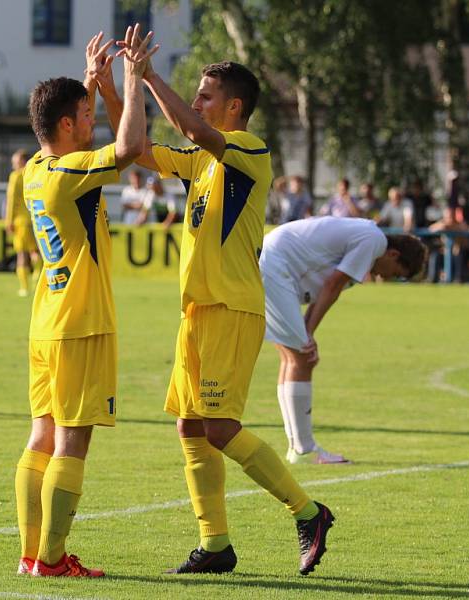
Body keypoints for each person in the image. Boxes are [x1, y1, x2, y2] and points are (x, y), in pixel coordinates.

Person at [94, 55, 334, 576]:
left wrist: (150, 75)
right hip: (198, 310)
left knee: (221, 427)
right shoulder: (201, 159)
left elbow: (190, 126)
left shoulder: (249, 149)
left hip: (232, 306)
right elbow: (134, 149)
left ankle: (309, 513)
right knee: (190, 426)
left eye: (205, 95)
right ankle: (215, 544)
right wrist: (119, 90)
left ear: (234, 106)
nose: (198, 102)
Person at [12, 26, 154, 579]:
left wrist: (93, 84)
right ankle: (51, 558)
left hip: (46, 321)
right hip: (81, 322)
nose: (92, 123)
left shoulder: (35, 173)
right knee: (72, 440)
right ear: (65, 124)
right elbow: (129, 149)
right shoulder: (69, 172)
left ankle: (31, 554)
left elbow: (94, 145)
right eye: (85, 116)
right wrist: (134, 78)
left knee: (41, 435)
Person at [260, 217, 427, 463]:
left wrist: (307, 331)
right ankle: (303, 450)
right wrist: (309, 333)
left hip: (271, 261)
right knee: (302, 357)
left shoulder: (368, 238)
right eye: (396, 273)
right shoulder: (374, 242)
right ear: (393, 254)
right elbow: (332, 286)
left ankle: (298, 447)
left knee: (294, 357)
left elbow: (328, 288)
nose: (386, 278)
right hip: (275, 265)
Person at [5, 148, 40, 297]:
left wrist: (8, 221)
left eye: (15, 161)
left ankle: (25, 288)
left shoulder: (16, 176)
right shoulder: (34, 174)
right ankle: (38, 274)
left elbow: (11, 200)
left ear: (22, 161)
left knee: (22, 254)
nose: (13, 164)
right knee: (35, 250)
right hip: (35, 216)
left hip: (20, 220)